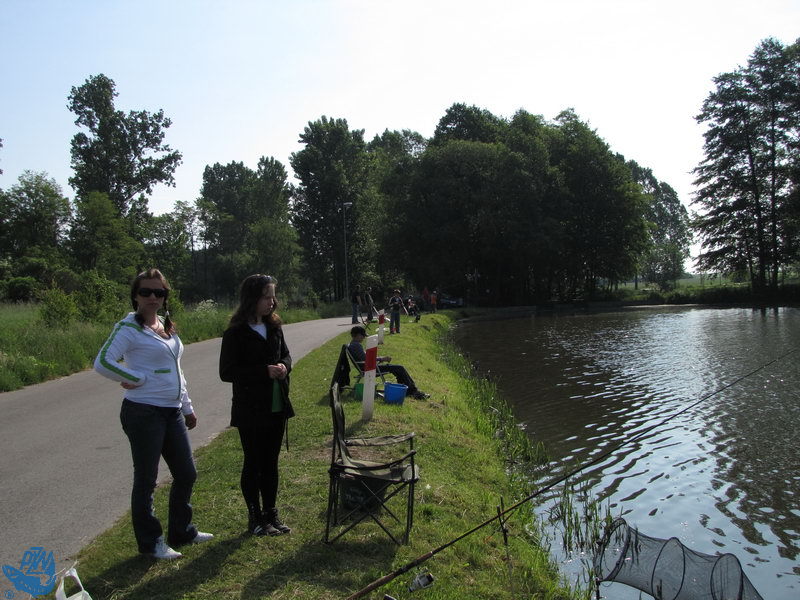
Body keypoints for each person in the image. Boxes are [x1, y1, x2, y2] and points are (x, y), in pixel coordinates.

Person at [94, 268, 212, 560]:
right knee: (147, 480)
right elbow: (103, 362)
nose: (152, 297)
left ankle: (182, 531)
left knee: (186, 473)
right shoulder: (128, 328)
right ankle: (151, 542)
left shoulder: (165, 325)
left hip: (172, 411)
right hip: (143, 411)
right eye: (145, 292)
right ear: (135, 296)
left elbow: (176, 370)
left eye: (159, 292)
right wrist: (136, 378)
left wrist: (187, 406)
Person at [219, 274, 295, 537]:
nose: (272, 302)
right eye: (266, 297)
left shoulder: (274, 327)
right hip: (250, 408)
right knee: (253, 462)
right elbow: (227, 372)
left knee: (271, 462)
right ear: (251, 298)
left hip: (276, 404)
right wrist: (264, 371)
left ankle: (271, 513)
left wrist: (284, 366)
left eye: (273, 296)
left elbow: (286, 355)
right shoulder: (235, 333)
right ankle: (255, 517)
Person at [348, 326, 429, 399]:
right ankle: (412, 391)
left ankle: (409, 390)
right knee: (399, 368)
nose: (363, 338)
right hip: (370, 369)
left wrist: (380, 358)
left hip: (368, 367)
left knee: (397, 369)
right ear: (358, 335)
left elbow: (366, 358)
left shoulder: (352, 344)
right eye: (363, 336)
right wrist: (382, 359)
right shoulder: (356, 345)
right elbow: (367, 358)